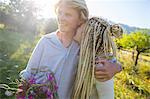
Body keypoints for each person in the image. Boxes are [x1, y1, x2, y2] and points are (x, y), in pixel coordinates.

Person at [18, 0, 122, 99]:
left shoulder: (83, 48)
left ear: (81, 19)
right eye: (59, 12)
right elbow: (27, 75)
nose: (61, 18)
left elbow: (102, 56)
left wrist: (117, 66)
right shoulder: (46, 41)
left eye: (68, 14)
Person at [73, 17, 123, 99]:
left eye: (79, 27)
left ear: (86, 35)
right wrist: (119, 66)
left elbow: (107, 96)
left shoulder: (101, 67)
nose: (75, 28)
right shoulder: (80, 52)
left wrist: (118, 67)